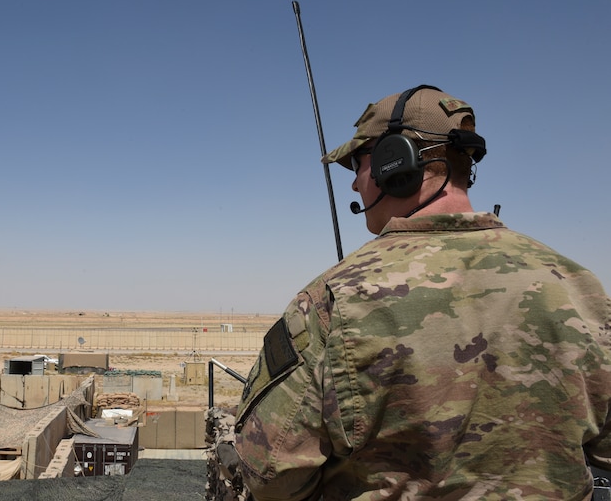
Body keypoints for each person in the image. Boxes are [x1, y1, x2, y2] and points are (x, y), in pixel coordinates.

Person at [234, 85, 611, 500]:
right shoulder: (580, 287)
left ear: (393, 162)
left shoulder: (333, 299)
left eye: (357, 166)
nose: (356, 185)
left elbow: (271, 473)